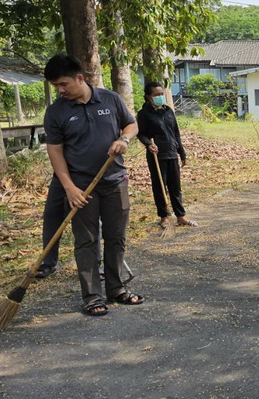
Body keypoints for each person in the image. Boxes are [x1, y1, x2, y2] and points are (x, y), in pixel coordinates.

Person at [42, 53, 144, 316]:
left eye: (63, 84)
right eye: (56, 86)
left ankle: (117, 289)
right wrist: (69, 187)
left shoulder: (110, 99)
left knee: (116, 237)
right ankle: (92, 296)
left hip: (115, 181)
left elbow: (132, 125)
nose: (60, 90)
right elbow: (55, 152)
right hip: (81, 188)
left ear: (79, 78)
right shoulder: (56, 112)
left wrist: (124, 139)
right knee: (86, 242)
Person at [136, 82, 196, 228]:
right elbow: (140, 133)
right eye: (156, 95)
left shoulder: (169, 111)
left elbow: (176, 133)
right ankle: (164, 217)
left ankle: (180, 216)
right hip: (157, 155)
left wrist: (182, 153)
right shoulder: (144, 114)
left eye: (161, 94)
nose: (160, 97)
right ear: (148, 96)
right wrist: (148, 144)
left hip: (172, 153)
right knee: (160, 187)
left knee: (175, 187)